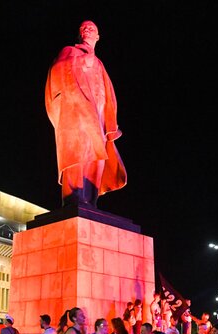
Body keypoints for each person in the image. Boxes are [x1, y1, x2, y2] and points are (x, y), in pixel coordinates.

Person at [45, 20, 126, 207]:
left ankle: (91, 201)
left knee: (96, 158)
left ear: (98, 36)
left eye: (92, 28)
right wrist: (82, 61)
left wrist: (110, 120)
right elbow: (57, 69)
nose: (88, 29)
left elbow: (108, 93)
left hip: (98, 116)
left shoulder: (99, 63)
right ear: (80, 34)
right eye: (84, 28)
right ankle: (73, 199)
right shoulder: (70, 51)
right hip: (78, 113)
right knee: (78, 154)